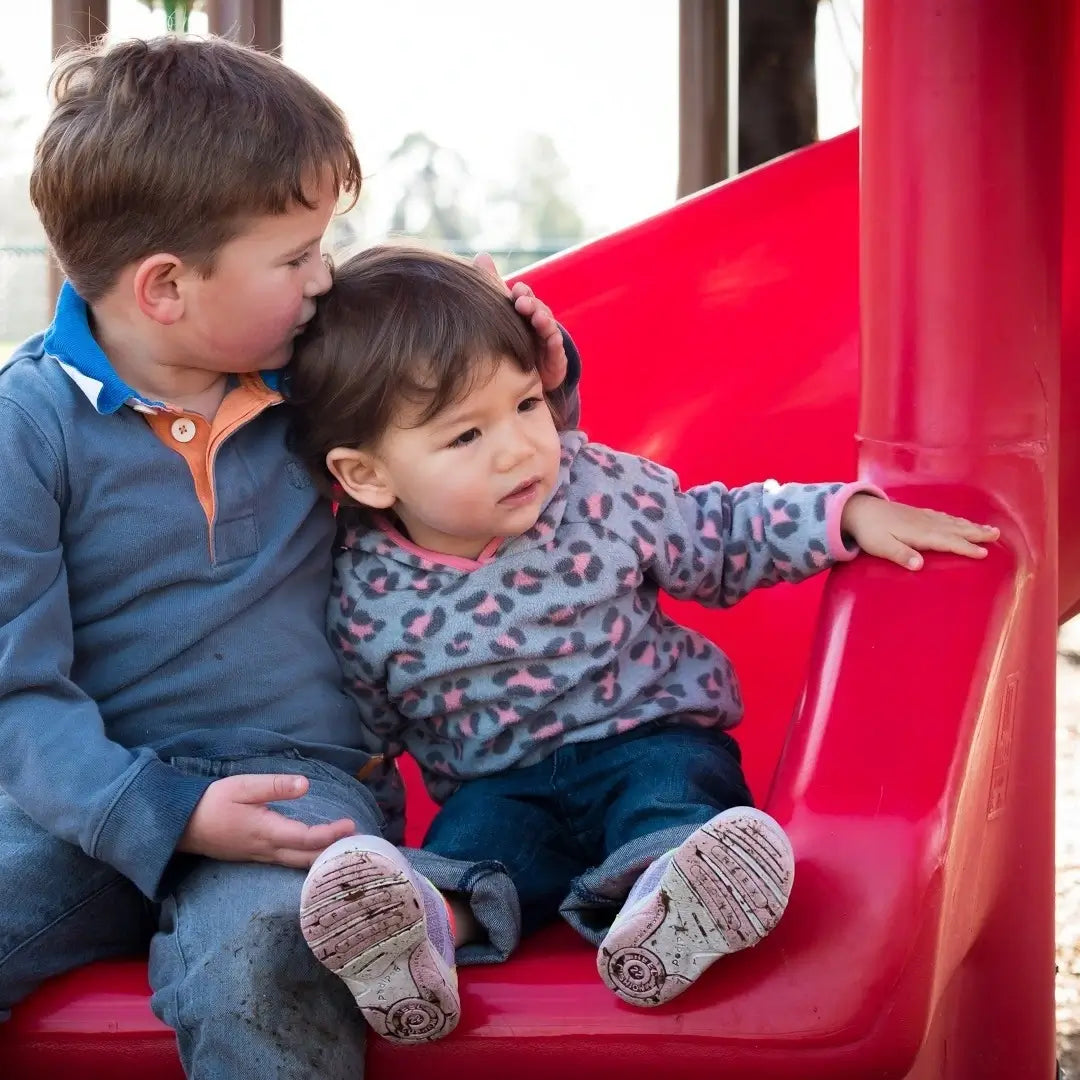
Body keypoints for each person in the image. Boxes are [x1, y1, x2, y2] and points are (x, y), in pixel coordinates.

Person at [0, 36, 573, 1077]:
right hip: (91, 795)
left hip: (293, 791)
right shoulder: (27, 428)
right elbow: (16, 693)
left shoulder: (321, 378)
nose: (325, 278)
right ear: (167, 287)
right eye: (297, 254)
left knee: (266, 964)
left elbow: (466, 452)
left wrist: (531, 363)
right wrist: (158, 813)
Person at [287, 244, 1000, 1029]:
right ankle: (416, 932)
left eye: (527, 404)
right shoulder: (364, 591)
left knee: (671, 800)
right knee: (478, 853)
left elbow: (720, 534)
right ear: (366, 476)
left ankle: (672, 902)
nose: (521, 445)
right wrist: (371, 833)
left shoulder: (598, 494)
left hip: (647, 738)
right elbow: (372, 735)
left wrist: (844, 516)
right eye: (465, 436)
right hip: (501, 784)